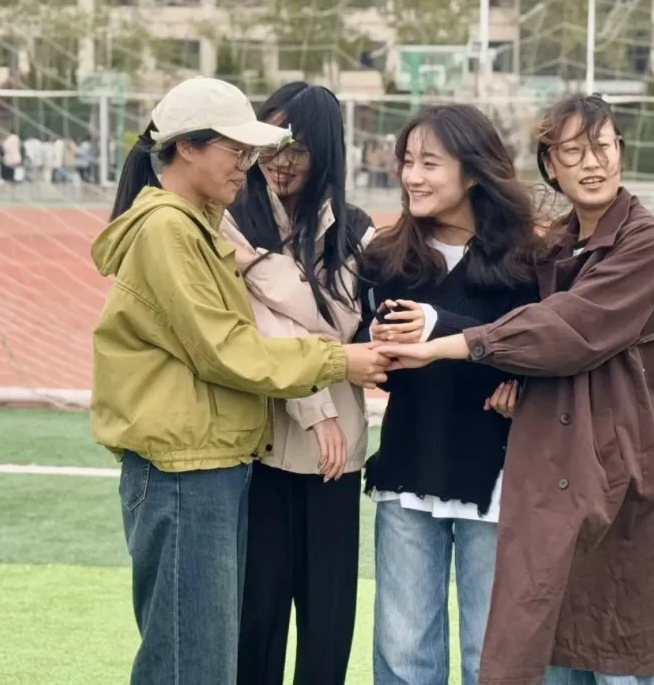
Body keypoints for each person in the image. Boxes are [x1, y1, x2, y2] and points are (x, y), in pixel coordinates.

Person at [89, 76, 391, 685]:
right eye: (238, 150)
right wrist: (337, 364)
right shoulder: (173, 230)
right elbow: (228, 349)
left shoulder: (198, 225)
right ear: (187, 146)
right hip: (185, 465)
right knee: (193, 658)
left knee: (206, 652)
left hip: (211, 459)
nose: (251, 165)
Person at [377, 94, 654, 685]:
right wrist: (521, 378)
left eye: (603, 147)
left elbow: (567, 329)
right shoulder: (554, 247)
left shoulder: (645, 240)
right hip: (554, 470)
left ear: (622, 151)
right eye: (573, 152)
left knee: (619, 652)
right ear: (550, 166)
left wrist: (443, 341)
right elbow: (538, 343)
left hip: (619, 466)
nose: (592, 163)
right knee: (554, 650)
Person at [359, 104, 541, 685]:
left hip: (495, 476)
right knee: (403, 652)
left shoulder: (530, 262)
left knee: (490, 655)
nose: (412, 176)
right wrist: (373, 351)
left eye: (429, 163)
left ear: (473, 170)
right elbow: (370, 353)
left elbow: (538, 347)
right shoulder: (386, 257)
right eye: (407, 161)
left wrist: (518, 382)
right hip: (409, 465)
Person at [220, 82, 375, 685]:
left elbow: (339, 321)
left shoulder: (355, 229)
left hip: (333, 456)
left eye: (298, 149)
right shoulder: (230, 215)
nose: (279, 161)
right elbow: (253, 329)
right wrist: (314, 406)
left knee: (327, 621)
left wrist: (258, 267)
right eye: (271, 144)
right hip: (256, 441)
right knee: (255, 620)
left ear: (325, 152)